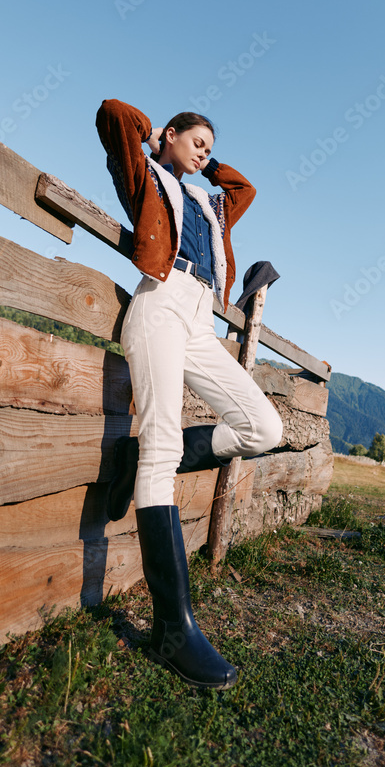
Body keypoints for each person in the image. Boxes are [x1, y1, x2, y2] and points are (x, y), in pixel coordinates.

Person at [95, 99, 283, 690]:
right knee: (162, 448)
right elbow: (114, 114)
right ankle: (172, 629)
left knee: (264, 429)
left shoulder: (210, 200)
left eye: (209, 145)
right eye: (195, 140)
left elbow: (244, 186)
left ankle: (130, 458)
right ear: (169, 137)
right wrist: (158, 143)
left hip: (201, 319)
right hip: (161, 304)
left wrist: (204, 159)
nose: (204, 151)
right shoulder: (148, 177)